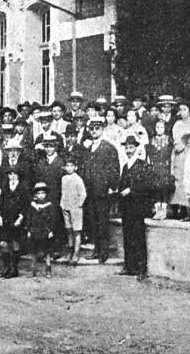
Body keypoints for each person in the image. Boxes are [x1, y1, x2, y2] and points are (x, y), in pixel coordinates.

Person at [80, 117, 120, 263]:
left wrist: (112, 187)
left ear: (102, 129)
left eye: (97, 128)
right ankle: (96, 250)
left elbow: (115, 169)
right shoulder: (89, 148)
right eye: (92, 129)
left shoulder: (109, 147)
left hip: (102, 190)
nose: (94, 131)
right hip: (90, 191)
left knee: (102, 221)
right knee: (93, 221)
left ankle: (104, 252)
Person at [116, 135, 151, 280]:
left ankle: (141, 269)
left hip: (137, 207)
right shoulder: (125, 166)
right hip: (126, 207)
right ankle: (129, 266)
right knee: (128, 237)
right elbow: (122, 185)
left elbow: (146, 185)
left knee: (138, 237)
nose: (129, 150)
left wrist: (131, 190)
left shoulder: (142, 165)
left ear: (136, 148)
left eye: (131, 148)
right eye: (127, 148)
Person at [0, 166, 30, 278]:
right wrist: (0, 216)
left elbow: (26, 204)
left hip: (17, 219)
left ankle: (14, 268)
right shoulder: (5, 186)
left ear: (18, 175)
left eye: (14, 173)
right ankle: (6, 267)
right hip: (6, 218)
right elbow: (1, 203)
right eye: (10, 174)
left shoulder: (23, 187)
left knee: (16, 243)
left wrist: (21, 217)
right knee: (4, 243)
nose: (12, 176)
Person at [25, 182, 59, 277]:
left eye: (43, 193)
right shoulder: (32, 206)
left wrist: (51, 230)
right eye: (38, 193)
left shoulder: (49, 206)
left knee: (46, 251)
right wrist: (28, 230)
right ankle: (33, 269)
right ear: (35, 195)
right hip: (34, 231)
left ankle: (48, 269)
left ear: (46, 194)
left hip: (45, 231)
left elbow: (52, 219)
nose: (41, 196)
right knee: (33, 251)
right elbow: (29, 218)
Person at [60, 156, 86, 265]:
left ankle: (76, 252)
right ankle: (70, 250)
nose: (69, 168)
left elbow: (83, 194)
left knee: (76, 231)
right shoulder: (64, 178)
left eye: (71, 166)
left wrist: (78, 204)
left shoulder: (78, 179)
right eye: (67, 166)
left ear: (75, 167)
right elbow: (63, 192)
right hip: (65, 206)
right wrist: (62, 204)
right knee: (68, 230)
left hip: (75, 208)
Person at [146, 120, 173, 220]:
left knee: (164, 188)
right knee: (156, 188)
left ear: (165, 128)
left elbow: (170, 153)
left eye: (161, 127)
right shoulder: (152, 139)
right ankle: (157, 210)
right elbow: (150, 154)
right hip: (155, 166)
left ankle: (164, 210)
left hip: (165, 166)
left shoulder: (168, 139)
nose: (159, 129)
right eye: (157, 127)